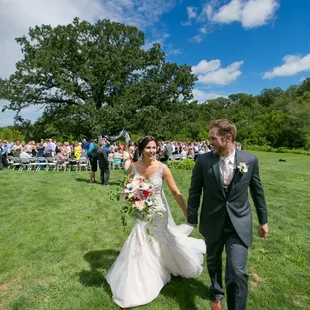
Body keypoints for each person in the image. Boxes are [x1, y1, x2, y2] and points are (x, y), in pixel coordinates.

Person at [105, 136, 206, 309]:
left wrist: (187, 213)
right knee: (140, 237)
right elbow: (126, 188)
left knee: (160, 238)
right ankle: (140, 274)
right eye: (148, 148)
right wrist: (133, 199)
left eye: (154, 148)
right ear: (142, 149)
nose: (152, 151)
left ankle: (162, 264)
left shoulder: (162, 168)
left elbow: (175, 191)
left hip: (159, 212)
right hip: (141, 211)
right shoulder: (133, 167)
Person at [187, 119, 269, 310]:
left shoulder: (249, 160)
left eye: (213, 138)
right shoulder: (203, 160)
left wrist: (263, 221)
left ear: (228, 138)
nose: (210, 142)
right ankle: (216, 293)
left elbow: (257, 192)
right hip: (212, 221)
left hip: (238, 224)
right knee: (213, 263)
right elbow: (194, 191)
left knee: (238, 271)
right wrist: (192, 217)